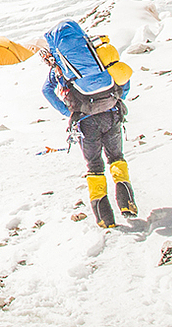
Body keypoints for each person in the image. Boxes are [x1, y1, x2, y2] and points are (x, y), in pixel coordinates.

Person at [39, 22, 137, 229]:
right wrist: (117, 99)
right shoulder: (96, 53)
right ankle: (127, 203)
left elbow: (47, 90)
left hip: (85, 121)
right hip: (112, 113)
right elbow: (122, 78)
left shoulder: (60, 65)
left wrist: (69, 112)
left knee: (94, 167)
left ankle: (105, 219)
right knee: (117, 158)